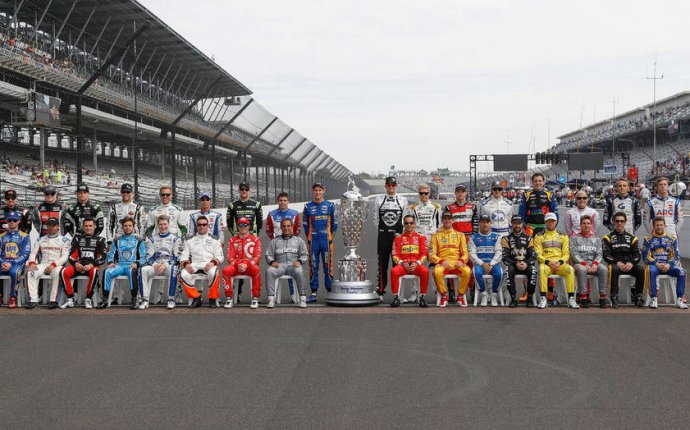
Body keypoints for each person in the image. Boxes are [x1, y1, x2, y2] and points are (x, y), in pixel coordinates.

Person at [372, 176, 408, 301]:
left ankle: (396, 293)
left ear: (396, 186)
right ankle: (381, 291)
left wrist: (399, 233)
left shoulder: (403, 200)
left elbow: (405, 219)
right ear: (385, 186)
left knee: (397, 265)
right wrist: (384, 230)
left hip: (397, 236)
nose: (391, 187)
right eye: (389, 185)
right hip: (383, 235)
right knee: (382, 264)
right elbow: (375, 219)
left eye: (393, 185)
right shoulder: (379, 199)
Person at [226, 181, 263, 301]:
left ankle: (256, 294)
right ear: (239, 190)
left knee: (254, 267)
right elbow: (229, 223)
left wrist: (252, 236)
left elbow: (260, 223)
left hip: (252, 240)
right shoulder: (232, 205)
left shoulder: (256, 204)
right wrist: (236, 236)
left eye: (246, 189)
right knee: (237, 265)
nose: (244, 191)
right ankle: (238, 293)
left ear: (249, 190)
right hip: (238, 240)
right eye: (242, 189)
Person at [60, 217, 107, 309]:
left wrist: (92, 264)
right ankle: (70, 299)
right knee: (63, 272)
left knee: (94, 272)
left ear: (95, 227)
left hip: (92, 266)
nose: (88, 228)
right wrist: (76, 264)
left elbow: (103, 257)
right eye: (86, 226)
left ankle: (88, 298)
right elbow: (71, 255)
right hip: (79, 265)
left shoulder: (101, 240)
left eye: (90, 226)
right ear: (83, 227)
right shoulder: (77, 239)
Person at [99, 217, 146, 309]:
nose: (127, 227)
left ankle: (134, 299)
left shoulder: (139, 241)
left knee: (132, 272)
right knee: (107, 272)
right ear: (122, 227)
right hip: (119, 266)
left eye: (129, 226)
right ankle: (105, 299)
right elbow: (111, 254)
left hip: (131, 266)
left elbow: (143, 257)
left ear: (133, 227)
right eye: (125, 226)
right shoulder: (116, 240)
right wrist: (111, 262)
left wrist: (137, 263)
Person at [404, 183, 440, 303]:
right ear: (418, 194)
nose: (423, 195)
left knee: (434, 266)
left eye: (426, 193)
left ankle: (438, 292)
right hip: (418, 240)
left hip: (431, 239)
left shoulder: (436, 207)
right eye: (421, 193)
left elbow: (439, 226)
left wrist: (435, 240)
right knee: (415, 266)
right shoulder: (412, 208)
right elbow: (409, 226)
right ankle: (415, 292)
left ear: (429, 194)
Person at [303, 181, 337, 303]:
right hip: (313, 241)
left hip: (326, 241)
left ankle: (329, 291)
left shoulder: (330, 205)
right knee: (313, 266)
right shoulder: (307, 207)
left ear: (324, 191)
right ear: (313, 192)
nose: (318, 192)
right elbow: (305, 225)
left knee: (328, 266)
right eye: (315, 190)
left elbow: (334, 224)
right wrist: (310, 237)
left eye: (320, 190)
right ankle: (313, 292)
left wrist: (328, 236)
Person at [140, 215, 184, 310]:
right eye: (160, 224)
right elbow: (149, 256)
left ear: (169, 224)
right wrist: (155, 264)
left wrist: (166, 264)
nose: (163, 226)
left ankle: (171, 299)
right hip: (156, 266)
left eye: (165, 224)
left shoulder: (176, 239)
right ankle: (144, 300)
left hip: (168, 266)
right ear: (157, 225)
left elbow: (177, 257)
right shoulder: (152, 239)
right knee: (143, 270)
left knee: (174, 269)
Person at [533, 213, 577, 309]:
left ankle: (571, 298)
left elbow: (566, 253)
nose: (550, 223)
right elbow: (537, 253)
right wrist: (548, 262)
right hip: (546, 263)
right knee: (542, 269)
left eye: (552, 221)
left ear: (556, 222)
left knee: (570, 269)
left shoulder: (563, 236)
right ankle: (543, 298)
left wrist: (560, 262)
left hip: (559, 264)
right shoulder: (539, 236)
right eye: (548, 221)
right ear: (545, 222)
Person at [179, 215, 224, 308]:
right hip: (194, 265)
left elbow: (220, 256)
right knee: (183, 274)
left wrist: (212, 263)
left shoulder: (215, 239)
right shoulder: (189, 240)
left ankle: (213, 298)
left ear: (208, 226)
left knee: (214, 272)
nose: (202, 226)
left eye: (204, 224)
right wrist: (186, 264)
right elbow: (183, 255)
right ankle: (196, 297)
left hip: (209, 264)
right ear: (196, 226)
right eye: (199, 225)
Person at [602, 212, 645, 308]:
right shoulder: (607, 238)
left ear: (625, 222)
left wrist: (632, 263)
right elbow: (606, 255)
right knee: (613, 269)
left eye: (622, 221)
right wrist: (616, 262)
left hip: (629, 264)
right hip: (615, 264)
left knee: (641, 269)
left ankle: (638, 296)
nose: (619, 223)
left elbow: (637, 254)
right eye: (617, 221)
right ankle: (614, 297)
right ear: (613, 222)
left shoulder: (632, 237)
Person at [642, 217, 687, 309]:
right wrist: (656, 264)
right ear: (653, 226)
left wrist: (668, 265)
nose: (659, 227)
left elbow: (676, 256)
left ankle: (679, 299)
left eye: (661, 225)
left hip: (668, 266)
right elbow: (645, 257)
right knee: (650, 270)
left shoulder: (672, 239)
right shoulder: (648, 240)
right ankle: (653, 298)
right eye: (657, 225)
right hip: (655, 266)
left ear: (665, 226)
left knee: (682, 271)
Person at [25, 217, 70, 309]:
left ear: (58, 226)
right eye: (49, 225)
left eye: (53, 226)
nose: (51, 228)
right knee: (31, 273)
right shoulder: (40, 239)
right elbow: (33, 253)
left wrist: (54, 264)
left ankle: (53, 300)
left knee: (58, 273)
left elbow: (65, 257)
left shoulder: (64, 240)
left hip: (56, 265)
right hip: (43, 264)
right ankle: (33, 300)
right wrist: (32, 263)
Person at [429, 210, 471, 307]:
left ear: (452, 221)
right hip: (443, 262)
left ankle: (460, 295)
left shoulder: (460, 235)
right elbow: (431, 254)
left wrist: (461, 261)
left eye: (449, 219)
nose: (447, 221)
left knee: (468, 271)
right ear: (442, 221)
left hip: (456, 262)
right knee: (436, 271)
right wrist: (441, 261)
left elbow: (465, 253)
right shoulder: (435, 236)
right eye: (445, 219)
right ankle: (444, 295)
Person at [265, 218, 309, 309]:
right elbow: (268, 254)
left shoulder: (299, 240)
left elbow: (305, 255)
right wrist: (272, 262)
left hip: (293, 265)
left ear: (292, 227)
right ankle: (271, 299)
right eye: (284, 226)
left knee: (299, 271)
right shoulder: (275, 241)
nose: (286, 228)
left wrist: (299, 261)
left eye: (288, 226)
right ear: (281, 228)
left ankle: (302, 298)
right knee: (269, 271)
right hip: (279, 266)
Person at [444, 183, 477, 301]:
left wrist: (474, 241)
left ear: (466, 193)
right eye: (458, 191)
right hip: (454, 241)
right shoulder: (449, 208)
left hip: (468, 239)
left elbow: (476, 226)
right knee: (451, 265)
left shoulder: (472, 207)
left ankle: (472, 289)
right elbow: (446, 225)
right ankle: (452, 291)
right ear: (455, 193)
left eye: (462, 191)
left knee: (470, 266)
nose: (460, 193)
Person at [266, 192, 300, 301]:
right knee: (274, 269)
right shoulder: (271, 214)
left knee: (291, 268)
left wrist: (291, 241)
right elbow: (268, 230)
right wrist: (275, 241)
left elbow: (297, 229)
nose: (283, 202)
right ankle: (273, 296)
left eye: (285, 200)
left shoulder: (294, 213)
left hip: (291, 245)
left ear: (288, 201)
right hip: (277, 246)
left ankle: (293, 295)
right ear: (277, 201)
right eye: (281, 200)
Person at [390, 215, 430, 308]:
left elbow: (424, 254)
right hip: (403, 265)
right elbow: (394, 254)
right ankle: (396, 297)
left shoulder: (421, 237)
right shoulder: (398, 238)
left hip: (416, 265)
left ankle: (422, 297)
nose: (409, 225)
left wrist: (417, 263)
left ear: (414, 224)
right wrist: (401, 263)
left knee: (425, 271)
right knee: (394, 271)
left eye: (411, 223)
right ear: (404, 224)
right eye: (407, 223)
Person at [222, 217, 262, 309]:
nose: (243, 227)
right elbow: (229, 257)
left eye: (245, 225)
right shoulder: (232, 240)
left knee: (256, 269)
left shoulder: (255, 240)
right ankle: (229, 298)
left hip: (249, 266)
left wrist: (247, 265)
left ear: (249, 226)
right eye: (240, 225)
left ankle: (255, 298)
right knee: (225, 270)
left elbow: (257, 257)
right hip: (236, 266)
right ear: (237, 227)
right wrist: (237, 264)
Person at [570, 215, 608, 308]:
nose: (586, 225)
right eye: (584, 223)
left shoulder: (597, 239)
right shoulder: (574, 238)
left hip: (593, 263)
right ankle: (583, 297)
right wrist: (584, 264)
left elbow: (599, 254)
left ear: (591, 225)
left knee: (603, 269)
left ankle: (602, 298)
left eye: (588, 223)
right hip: (579, 264)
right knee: (582, 270)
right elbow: (574, 254)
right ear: (580, 225)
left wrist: (595, 264)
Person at [501, 215, 537, 307]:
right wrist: (515, 263)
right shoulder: (506, 239)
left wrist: (526, 263)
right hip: (513, 264)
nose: (517, 225)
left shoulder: (529, 238)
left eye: (519, 223)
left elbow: (533, 255)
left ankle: (529, 297)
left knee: (533, 271)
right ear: (511, 224)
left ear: (522, 224)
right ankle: (513, 298)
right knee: (507, 271)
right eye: (514, 223)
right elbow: (505, 257)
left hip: (526, 264)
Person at [468, 215, 503, 307]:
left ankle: (494, 294)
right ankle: (483, 294)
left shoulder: (497, 237)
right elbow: (472, 254)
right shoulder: (473, 237)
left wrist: (491, 264)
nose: (484, 224)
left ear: (490, 223)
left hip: (493, 263)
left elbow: (499, 252)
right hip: (480, 263)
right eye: (482, 222)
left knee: (499, 273)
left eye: (487, 222)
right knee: (476, 272)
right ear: (479, 223)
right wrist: (482, 263)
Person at [0, 211, 31, 308]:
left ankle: (13, 297)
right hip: (3, 262)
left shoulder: (25, 236)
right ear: (7, 221)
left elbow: (25, 254)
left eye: (14, 220)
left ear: (19, 221)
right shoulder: (1, 236)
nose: (12, 222)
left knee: (15, 272)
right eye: (10, 220)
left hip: (17, 264)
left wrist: (12, 263)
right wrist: (2, 262)